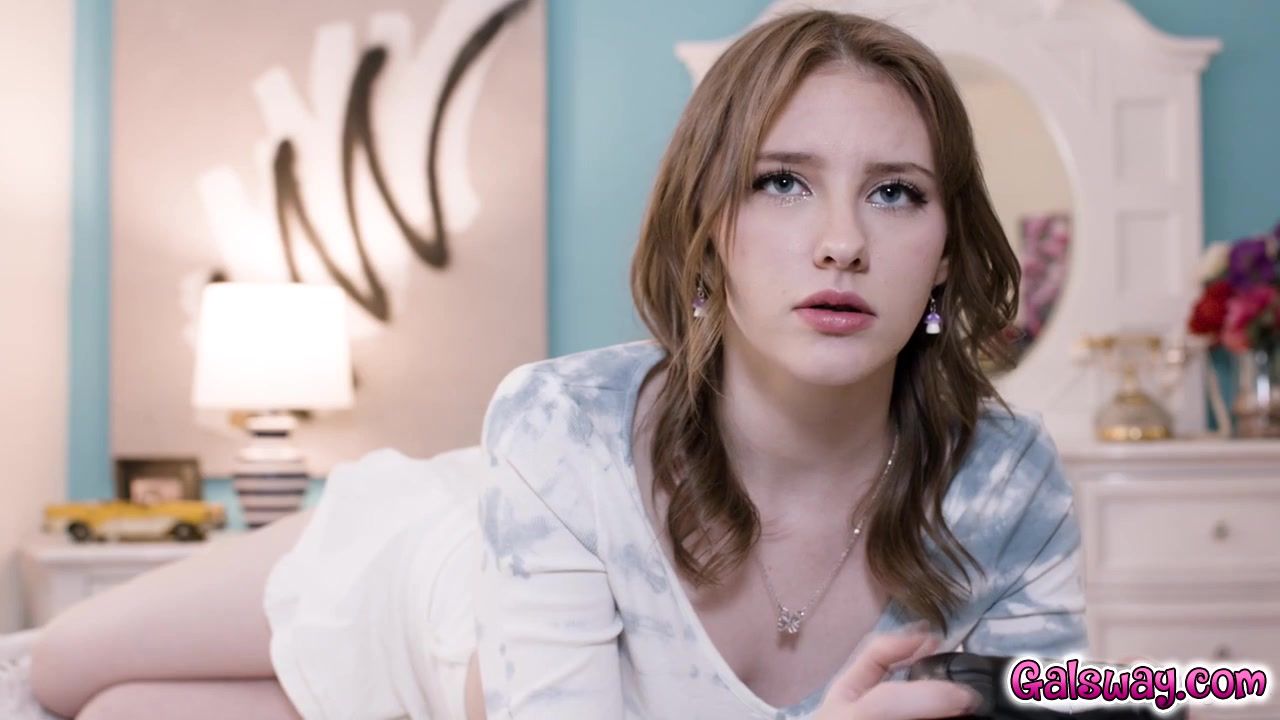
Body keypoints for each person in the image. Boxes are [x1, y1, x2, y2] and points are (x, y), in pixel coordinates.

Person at [29, 8, 1087, 719]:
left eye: (895, 192)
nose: (842, 242)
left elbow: (1068, 693)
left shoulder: (1008, 484)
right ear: (707, 228)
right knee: (61, 672)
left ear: (945, 250)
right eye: (781, 182)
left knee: (125, 716)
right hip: (432, 584)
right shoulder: (564, 426)